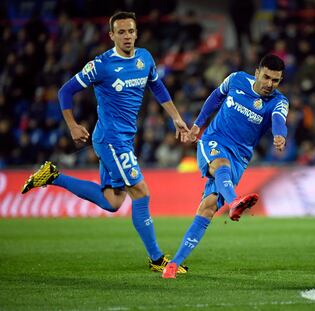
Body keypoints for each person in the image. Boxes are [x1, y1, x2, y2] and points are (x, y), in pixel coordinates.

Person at [21, 11, 189, 274]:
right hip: (111, 140)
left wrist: (176, 118)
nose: (127, 36)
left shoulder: (144, 58)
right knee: (141, 192)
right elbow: (65, 91)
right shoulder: (101, 65)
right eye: (121, 32)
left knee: (112, 201)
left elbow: (156, 86)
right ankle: (157, 259)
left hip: (122, 138)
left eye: (131, 31)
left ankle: (53, 176)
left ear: (137, 33)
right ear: (111, 35)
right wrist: (73, 125)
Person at [162, 54, 289, 278]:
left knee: (208, 208)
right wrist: (197, 126)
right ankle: (234, 202)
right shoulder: (236, 79)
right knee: (220, 164)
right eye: (267, 77)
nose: (270, 84)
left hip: (239, 158)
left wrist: (279, 135)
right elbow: (214, 98)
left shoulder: (279, 101)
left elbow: (279, 119)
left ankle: (173, 264)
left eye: (276, 80)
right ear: (257, 72)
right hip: (214, 140)